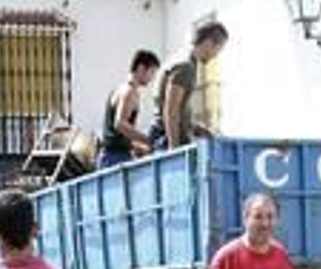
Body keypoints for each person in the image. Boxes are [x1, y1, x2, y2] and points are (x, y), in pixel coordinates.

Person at [151, 21, 229, 151]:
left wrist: (196, 128)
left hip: (163, 136)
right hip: (166, 140)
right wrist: (173, 148)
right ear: (209, 43)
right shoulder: (185, 66)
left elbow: (176, 110)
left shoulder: (181, 58)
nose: (215, 56)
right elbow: (171, 109)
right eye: (218, 50)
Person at [98, 50, 160, 170]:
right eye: (152, 72)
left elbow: (116, 135)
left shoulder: (120, 89)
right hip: (116, 159)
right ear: (141, 68)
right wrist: (148, 140)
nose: (152, 78)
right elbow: (120, 124)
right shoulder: (129, 92)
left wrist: (137, 147)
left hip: (111, 157)